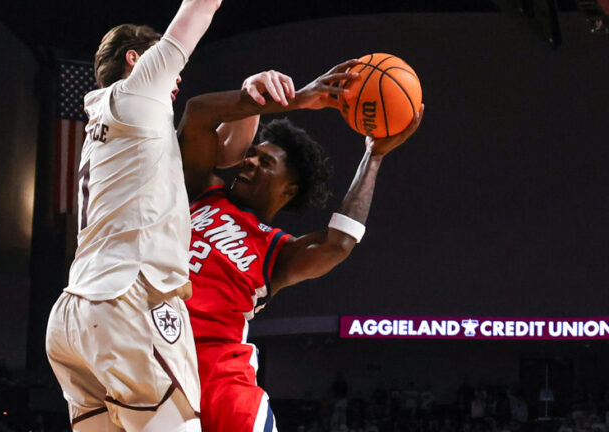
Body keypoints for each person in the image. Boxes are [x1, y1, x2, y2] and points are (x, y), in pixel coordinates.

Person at [178, 62, 424, 431]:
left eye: (265, 161)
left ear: (289, 190)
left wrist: (374, 156)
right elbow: (198, 113)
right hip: (155, 356)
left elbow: (338, 243)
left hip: (222, 380)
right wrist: (293, 101)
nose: (249, 160)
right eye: (252, 154)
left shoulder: (277, 252)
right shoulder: (201, 191)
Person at [45, 1, 223, 431]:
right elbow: (198, 10)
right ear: (135, 59)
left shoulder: (106, 123)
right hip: (129, 298)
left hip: (73, 317)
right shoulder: (139, 92)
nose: (176, 74)